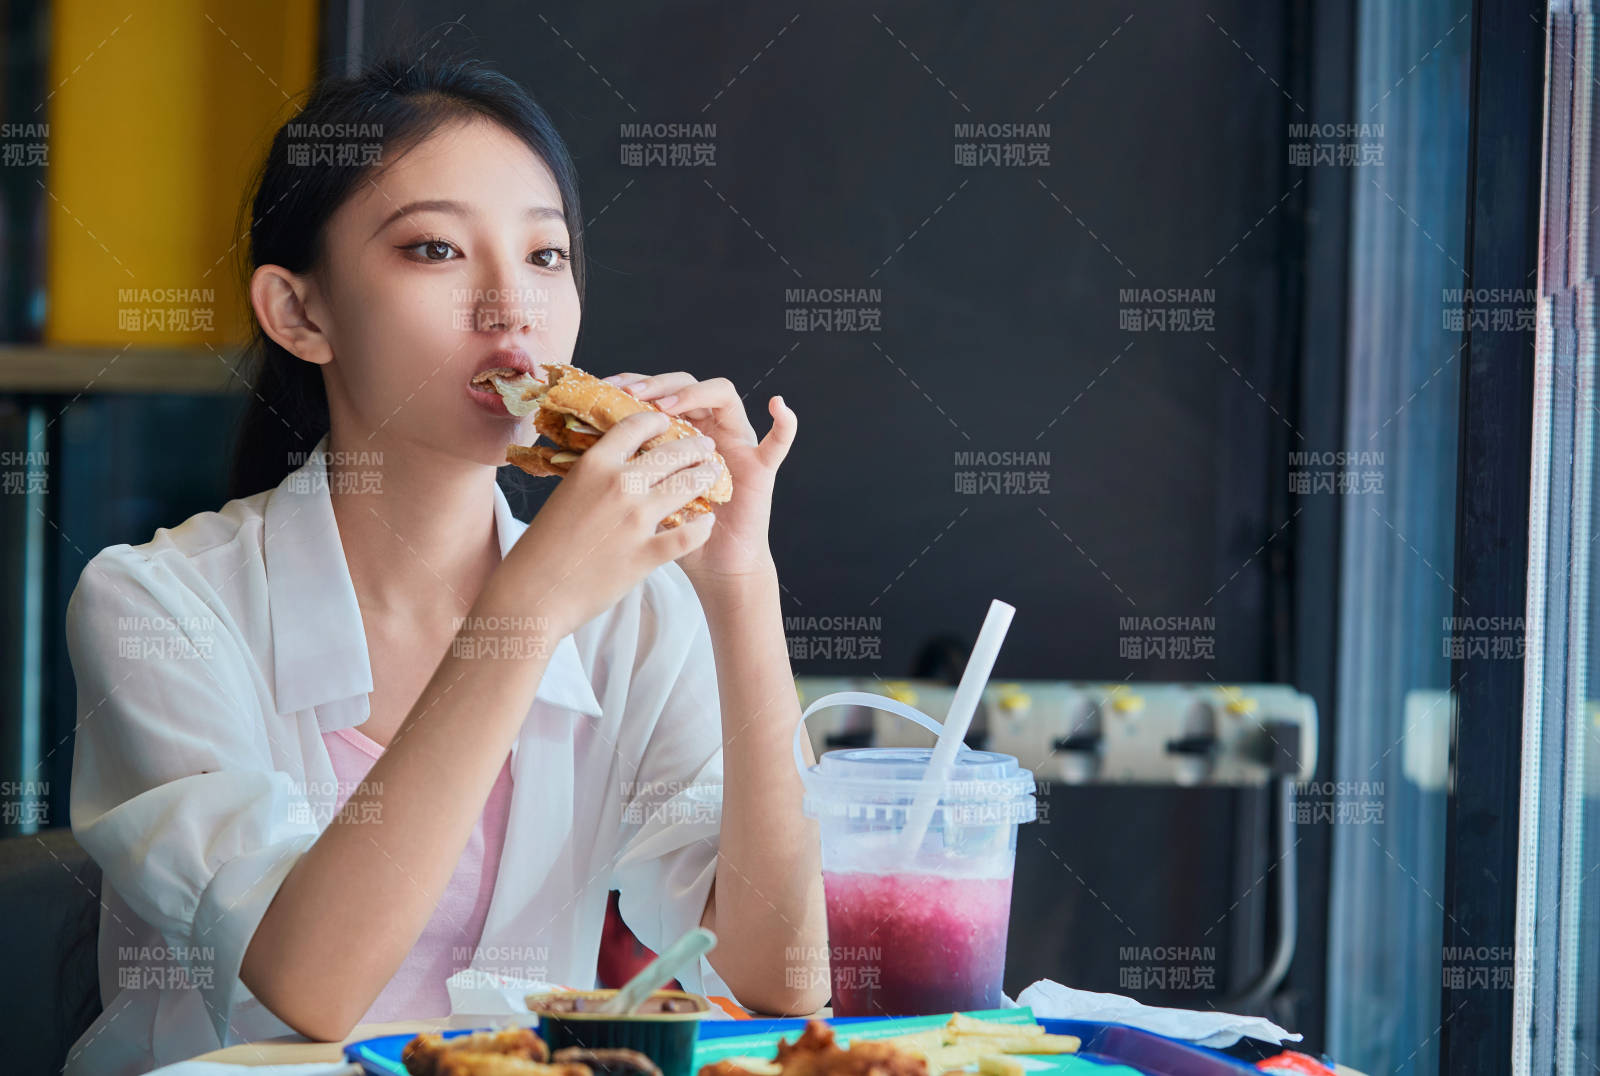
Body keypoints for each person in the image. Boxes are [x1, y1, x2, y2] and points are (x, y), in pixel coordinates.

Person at [62, 54, 828, 1075]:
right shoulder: (156, 603)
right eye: (434, 248)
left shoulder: (630, 612)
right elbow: (312, 985)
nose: (511, 307)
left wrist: (738, 585)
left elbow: (785, 975)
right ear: (301, 313)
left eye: (546, 255)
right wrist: (530, 605)